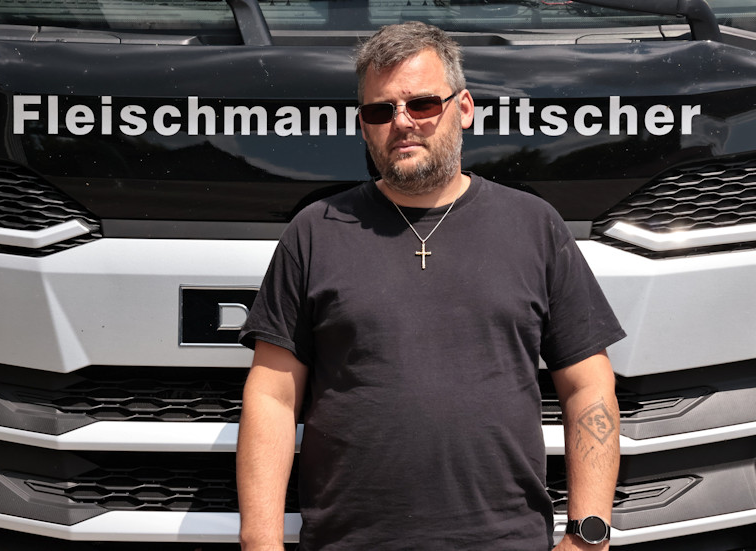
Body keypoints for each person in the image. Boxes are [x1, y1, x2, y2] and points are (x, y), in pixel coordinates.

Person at [236, 21, 625, 551]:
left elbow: (588, 387)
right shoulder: (315, 230)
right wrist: (260, 543)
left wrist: (589, 536)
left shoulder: (534, 225)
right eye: (381, 111)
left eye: (421, 104)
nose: (402, 122)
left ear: (463, 108)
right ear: (363, 125)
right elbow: (272, 396)